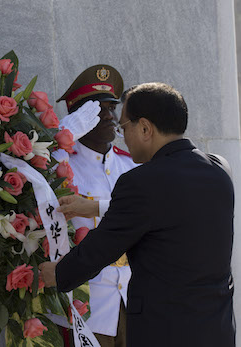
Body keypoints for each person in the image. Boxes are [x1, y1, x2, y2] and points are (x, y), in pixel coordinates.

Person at [40, 82, 235, 347]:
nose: (122, 136)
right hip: (216, 329)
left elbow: (104, 246)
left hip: (164, 331)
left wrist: (60, 273)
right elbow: (167, 213)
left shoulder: (142, 181)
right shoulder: (219, 169)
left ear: (144, 128)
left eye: (124, 127)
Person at [56, 65, 135, 347]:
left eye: (111, 108)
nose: (109, 117)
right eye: (98, 110)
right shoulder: (61, 166)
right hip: (88, 304)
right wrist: (61, 139)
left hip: (133, 298)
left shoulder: (131, 164)